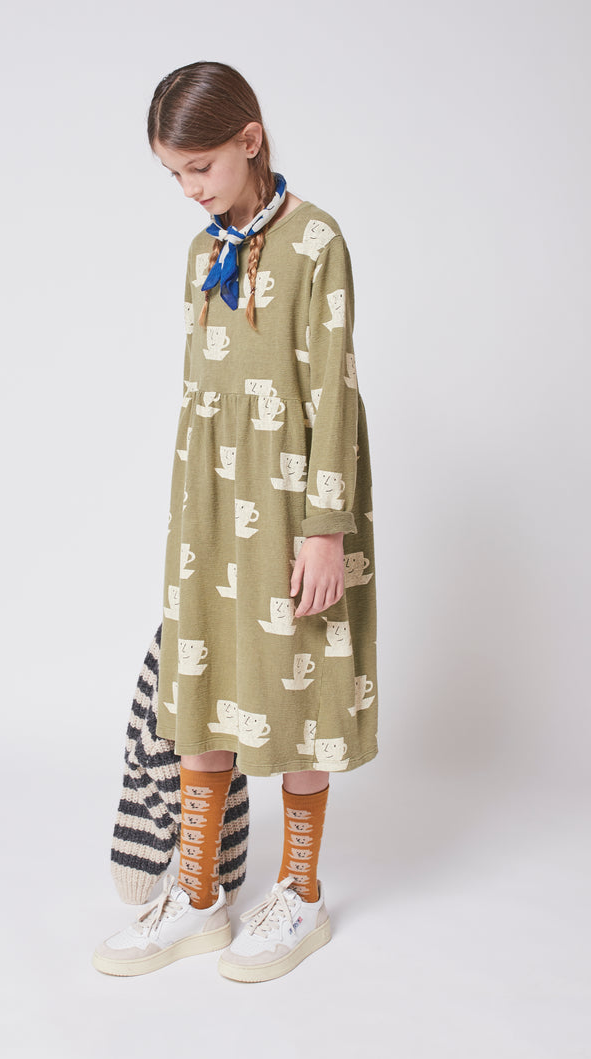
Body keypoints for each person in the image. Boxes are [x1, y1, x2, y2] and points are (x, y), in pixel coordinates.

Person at [92, 60, 379, 983]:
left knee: (300, 683)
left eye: (200, 167)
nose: (189, 189)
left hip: (294, 502)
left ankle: (301, 893)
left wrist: (325, 527)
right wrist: (191, 519)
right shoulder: (202, 251)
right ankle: (199, 896)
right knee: (204, 673)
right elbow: (201, 393)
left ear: (250, 140)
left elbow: (332, 389)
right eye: (174, 174)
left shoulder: (317, 240)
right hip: (211, 503)